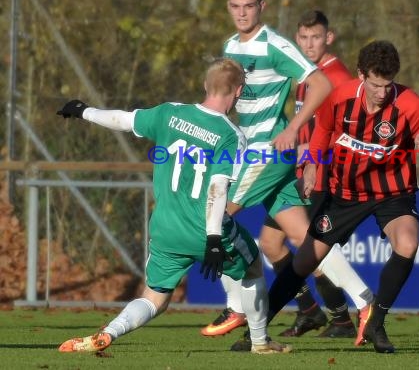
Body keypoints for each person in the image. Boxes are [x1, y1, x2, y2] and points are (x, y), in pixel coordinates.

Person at [55, 58, 291, 354]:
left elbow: (124, 120)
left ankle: (109, 332)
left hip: (165, 227)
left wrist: (82, 110)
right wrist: (215, 238)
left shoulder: (169, 113)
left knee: (154, 298)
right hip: (205, 228)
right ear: (239, 90)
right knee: (253, 267)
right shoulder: (231, 135)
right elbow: (218, 187)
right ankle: (260, 342)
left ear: (206, 85)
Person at [201, 0, 374, 343]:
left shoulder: (276, 45)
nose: (242, 13)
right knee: (301, 236)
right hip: (251, 149)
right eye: (235, 6)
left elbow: (322, 84)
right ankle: (364, 301)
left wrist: (293, 128)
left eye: (249, 6)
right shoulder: (231, 45)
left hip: (268, 151)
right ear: (229, 7)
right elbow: (234, 98)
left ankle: (237, 306)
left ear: (261, 7)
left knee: (216, 216)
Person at [265, 40, 419, 353]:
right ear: (360, 75)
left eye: (388, 84)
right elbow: (323, 131)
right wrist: (312, 166)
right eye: (375, 84)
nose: (382, 92)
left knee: (408, 242)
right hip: (345, 193)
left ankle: (377, 324)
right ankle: (258, 330)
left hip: (393, 192)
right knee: (305, 260)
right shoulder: (339, 98)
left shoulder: (411, 104)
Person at [259, 10, 358, 338]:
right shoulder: (306, 76)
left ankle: (343, 319)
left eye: (316, 37)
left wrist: (315, 160)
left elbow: (347, 131)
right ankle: (310, 312)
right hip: (300, 173)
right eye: (303, 38)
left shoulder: (338, 78)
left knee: (308, 248)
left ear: (329, 37)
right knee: (272, 244)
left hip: (322, 174)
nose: (309, 43)